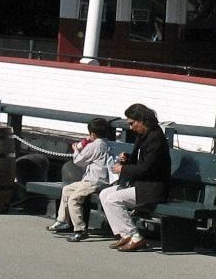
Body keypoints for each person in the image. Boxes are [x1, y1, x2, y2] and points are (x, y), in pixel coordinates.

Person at [99, 102, 171, 252]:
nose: (130, 127)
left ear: (142, 120)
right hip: (142, 184)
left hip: (152, 188)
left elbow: (146, 169)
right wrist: (127, 158)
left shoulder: (155, 138)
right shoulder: (144, 135)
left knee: (113, 199)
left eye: (132, 123)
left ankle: (135, 236)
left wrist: (123, 169)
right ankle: (125, 235)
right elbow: (142, 161)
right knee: (104, 194)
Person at [46, 116, 117, 242]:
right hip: (99, 180)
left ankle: (80, 229)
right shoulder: (106, 144)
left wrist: (76, 150)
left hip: (94, 181)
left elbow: (78, 161)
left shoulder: (94, 146)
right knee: (67, 189)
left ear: (92, 133)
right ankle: (62, 220)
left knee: (74, 199)